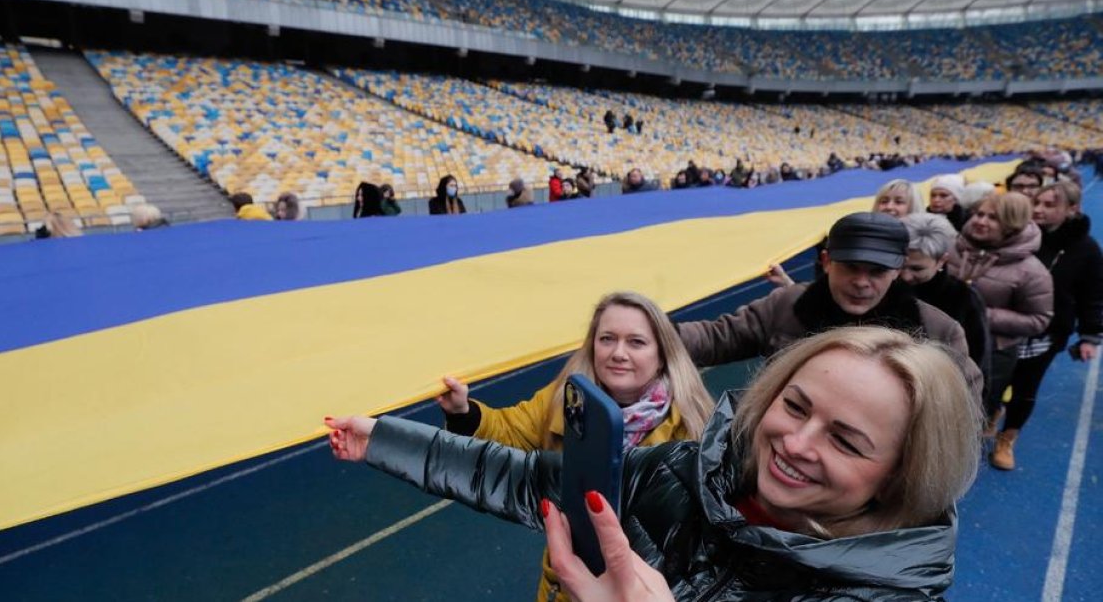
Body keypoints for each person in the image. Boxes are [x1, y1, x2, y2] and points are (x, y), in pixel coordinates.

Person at [328, 326, 981, 601]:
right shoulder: (686, 469)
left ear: (904, 473)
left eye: (846, 439)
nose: (796, 442)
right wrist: (384, 438)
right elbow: (527, 477)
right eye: (795, 404)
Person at [433, 291, 715, 602]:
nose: (618, 353)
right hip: (564, 585)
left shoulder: (693, 426)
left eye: (636, 342)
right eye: (607, 339)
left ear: (662, 353)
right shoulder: (565, 400)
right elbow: (509, 430)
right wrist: (463, 412)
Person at [680, 212, 984, 406]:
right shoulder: (786, 304)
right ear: (826, 262)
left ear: (897, 271)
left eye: (877, 272)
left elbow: (962, 402)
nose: (862, 282)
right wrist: (645, 331)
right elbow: (716, 337)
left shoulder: (938, 331)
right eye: (851, 267)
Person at [993, 183, 1102, 470]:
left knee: (1026, 388)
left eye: (1049, 205)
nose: (1039, 209)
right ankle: (992, 412)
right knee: (995, 378)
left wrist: (1090, 335)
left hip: (1046, 333)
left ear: (1072, 209)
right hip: (1005, 326)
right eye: (1037, 203)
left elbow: (1092, 295)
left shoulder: (1086, 249)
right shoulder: (1017, 235)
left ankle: (1008, 437)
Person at [946, 192, 1053, 429]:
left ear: (1011, 225)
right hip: (943, 341)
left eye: (992, 218)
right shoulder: (953, 248)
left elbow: (1039, 319)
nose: (980, 221)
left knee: (973, 412)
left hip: (992, 352)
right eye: (979, 214)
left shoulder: (1031, 271)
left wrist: (981, 315)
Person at [899, 213, 991, 381]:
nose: (905, 276)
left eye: (917, 269)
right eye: (900, 265)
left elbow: (978, 360)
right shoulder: (883, 287)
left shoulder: (962, 297)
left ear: (942, 261)